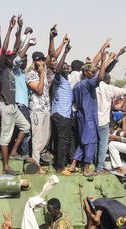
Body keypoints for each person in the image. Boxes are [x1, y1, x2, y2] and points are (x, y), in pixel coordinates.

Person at [0, 15, 30, 175]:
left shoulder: (11, 68)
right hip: (6, 106)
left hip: (13, 106)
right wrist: (8, 29)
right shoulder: (1, 67)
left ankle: (14, 151)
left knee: (26, 127)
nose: (11, 56)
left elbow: (15, 48)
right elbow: (5, 48)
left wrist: (20, 28)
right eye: (8, 56)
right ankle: (6, 166)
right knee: (5, 137)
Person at [70, 39, 109, 177]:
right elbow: (101, 78)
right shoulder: (87, 84)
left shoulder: (76, 86)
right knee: (91, 142)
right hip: (89, 117)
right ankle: (87, 169)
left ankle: (73, 164)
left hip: (81, 116)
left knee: (83, 142)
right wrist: (103, 60)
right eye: (92, 72)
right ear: (86, 73)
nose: (94, 74)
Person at [95, 49, 126, 173]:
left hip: (92, 120)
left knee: (93, 143)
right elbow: (125, 91)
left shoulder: (92, 86)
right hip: (104, 122)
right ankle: (99, 167)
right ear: (107, 79)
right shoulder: (109, 88)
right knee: (103, 145)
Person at [51, 42, 73, 175]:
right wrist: (65, 52)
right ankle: (60, 167)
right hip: (61, 114)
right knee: (63, 141)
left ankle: (59, 164)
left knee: (61, 140)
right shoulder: (58, 78)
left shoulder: (67, 81)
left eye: (67, 68)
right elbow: (58, 70)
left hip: (62, 114)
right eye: (63, 67)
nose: (65, 69)